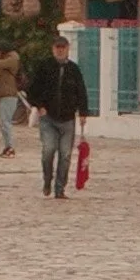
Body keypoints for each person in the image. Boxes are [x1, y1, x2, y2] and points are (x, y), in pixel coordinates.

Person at [25, 31, 89, 200]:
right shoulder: (44, 67)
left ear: (68, 49)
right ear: (53, 49)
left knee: (65, 155)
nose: (60, 51)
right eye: (57, 48)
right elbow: (31, 89)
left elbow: (81, 91)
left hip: (68, 118)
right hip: (48, 118)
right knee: (48, 150)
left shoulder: (74, 69)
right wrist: (39, 106)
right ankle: (47, 180)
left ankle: (60, 188)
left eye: (63, 48)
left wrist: (83, 112)